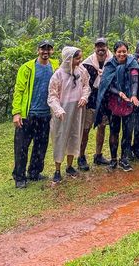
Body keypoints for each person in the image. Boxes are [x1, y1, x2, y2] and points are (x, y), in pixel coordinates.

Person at [12, 40, 59, 188]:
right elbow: (19, 91)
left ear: (52, 51)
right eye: (43, 49)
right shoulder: (27, 68)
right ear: (37, 50)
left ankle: (34, 172)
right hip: (28, 114)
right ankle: (20, 177)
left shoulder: (55, 66)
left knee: (41, 145)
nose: (45, 52)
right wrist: (17, 113)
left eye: (48, 49)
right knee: (21, 146)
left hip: (46, 114)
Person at [95, 41, 139, 172]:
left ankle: (124, 159)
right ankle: (113, 159)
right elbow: (107, 84)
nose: (122, 54)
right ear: (115, 53)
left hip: (128, 103)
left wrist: (133, 94)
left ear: (128, 51)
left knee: (127, 133)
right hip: (114, 103)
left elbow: (135, 80)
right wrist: (119, 93)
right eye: (119, 52)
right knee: (114, 132)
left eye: (124, 51)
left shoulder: (132, 63)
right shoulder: (110, 65)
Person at [47, 46, 91, 183]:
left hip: (77, 109)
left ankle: (70, 166)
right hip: (63, 111)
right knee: (61, 137)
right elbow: (52, 96)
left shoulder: (81, 71)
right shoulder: (58, 75)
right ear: (69, 59)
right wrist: (58, 109)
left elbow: (86, 86)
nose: (80, 60)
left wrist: (84, 97)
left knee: (74, 135)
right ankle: (57, 169)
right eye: (77, 58)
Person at [78, 38, 113, 171]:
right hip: (91, 101)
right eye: (98, 46)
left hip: (105, 100)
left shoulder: (112, 61)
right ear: (94, 48)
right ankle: (81, 157)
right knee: (85, 129)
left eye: (103, 46)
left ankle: (98, 155)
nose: (101, 49)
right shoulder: (87, 64)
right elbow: (83, 83)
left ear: (107, 47)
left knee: (102, 127)